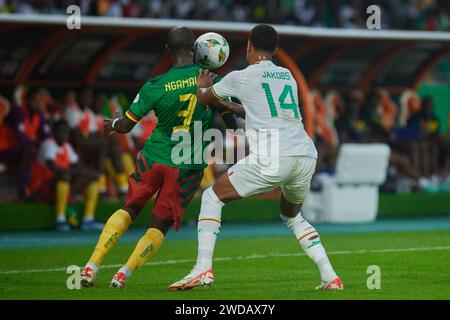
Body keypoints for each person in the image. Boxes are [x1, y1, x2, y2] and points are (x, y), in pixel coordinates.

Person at [170, 24, 343, 291]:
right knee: (293, 217)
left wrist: (202, 85)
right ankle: (330, 277)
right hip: (305, 154)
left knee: (211, 197)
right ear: (275, 50)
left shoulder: (242, 76)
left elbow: (204, 99)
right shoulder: (287, 76)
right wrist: (229, 106)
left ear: (249, 47)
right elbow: (264, 110)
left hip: (274, 156)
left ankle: (202, 269)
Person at [80, 26, 239, 288]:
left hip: (154, 157)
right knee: (159, 224)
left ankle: (90, 266)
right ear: (195, 49)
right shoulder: (214, 82)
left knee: (129, 209)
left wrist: (114, 123)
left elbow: (126, 125)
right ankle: (123, 274)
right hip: (187, 166)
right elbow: (230, 123)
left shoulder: (154, 85)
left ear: (167, 50)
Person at [28, 120, 102, 231]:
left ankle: (88, 219)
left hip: (60, 187)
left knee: (94, 177)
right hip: (42, 188)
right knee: (65, 176)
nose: (64, 135)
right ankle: (60, 219)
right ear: (54, 132)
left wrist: (86, 173)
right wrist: (77, 172)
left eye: (66, 133)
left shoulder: (67, 146)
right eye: (61, 132)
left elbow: (80, 166)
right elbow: (53, 167)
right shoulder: (49, 144)